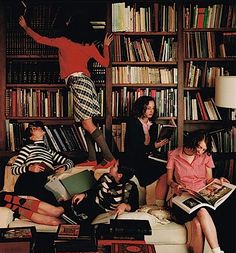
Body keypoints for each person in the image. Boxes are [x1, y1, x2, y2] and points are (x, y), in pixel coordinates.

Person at [18, 15, 115, 169]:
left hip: (78, 83)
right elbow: (105, 63)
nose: (67, 23)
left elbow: (40, 39)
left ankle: (110, 158)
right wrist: (105, 46)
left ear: (73, 26)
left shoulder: (63, 41)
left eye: (69, 21)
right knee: (85, 123)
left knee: (88, 124)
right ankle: (92, 158)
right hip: (85, 83)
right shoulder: (89, 45)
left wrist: (25, 27)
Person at [165, 130, 234, 253]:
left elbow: (209, 179)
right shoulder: (174, 154)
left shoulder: (206, 156)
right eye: (199, 147)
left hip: (200, 196)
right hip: (181, 199)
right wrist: (176, 186)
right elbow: (169, 180)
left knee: (197, 222)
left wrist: (219, 181)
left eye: (204, 149)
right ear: (192, 142)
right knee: (201, 211)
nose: (201, 151)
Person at [12, 121, 74, 205]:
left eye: (38, 127)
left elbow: (70, 162)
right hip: (29, 178)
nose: (38, 128)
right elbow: (14, 170)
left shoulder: (49, 151)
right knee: (49, 197)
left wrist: (64, 168)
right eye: (33, 129)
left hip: (44, 179)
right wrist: (29, 168)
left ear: (44, 132)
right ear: (31, 137)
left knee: (53, 197)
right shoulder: (27, 148)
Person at [62, 160, 139, 224]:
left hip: (99, 212)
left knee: (67, 217)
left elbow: (134, 206)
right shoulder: (105, 177)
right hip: (90, 203)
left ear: (119, 175)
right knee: (62, 208)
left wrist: (124, 206)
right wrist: (84, 194)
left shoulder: (131, 187)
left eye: (114, 166)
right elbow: (94, 190)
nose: (110, 166)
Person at [124, 95, 169, 200]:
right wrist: (154, 146)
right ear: (141, 108)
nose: (151, 111)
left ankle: (159, 203)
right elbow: (135, 148)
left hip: (147, 157)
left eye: (153, 108)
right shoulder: (133, 123)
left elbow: (150, 147)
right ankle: (159, 203)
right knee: (165, 168)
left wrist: (159, 143)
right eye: (148, 108)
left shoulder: (152, 125)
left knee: (170, 164)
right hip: (135, 160)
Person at [0, 191, 64, 226]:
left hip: (71, 223)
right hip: (69, 208)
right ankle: (15, 200)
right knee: (57, 212)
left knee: (54, 222)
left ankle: (18, 210)